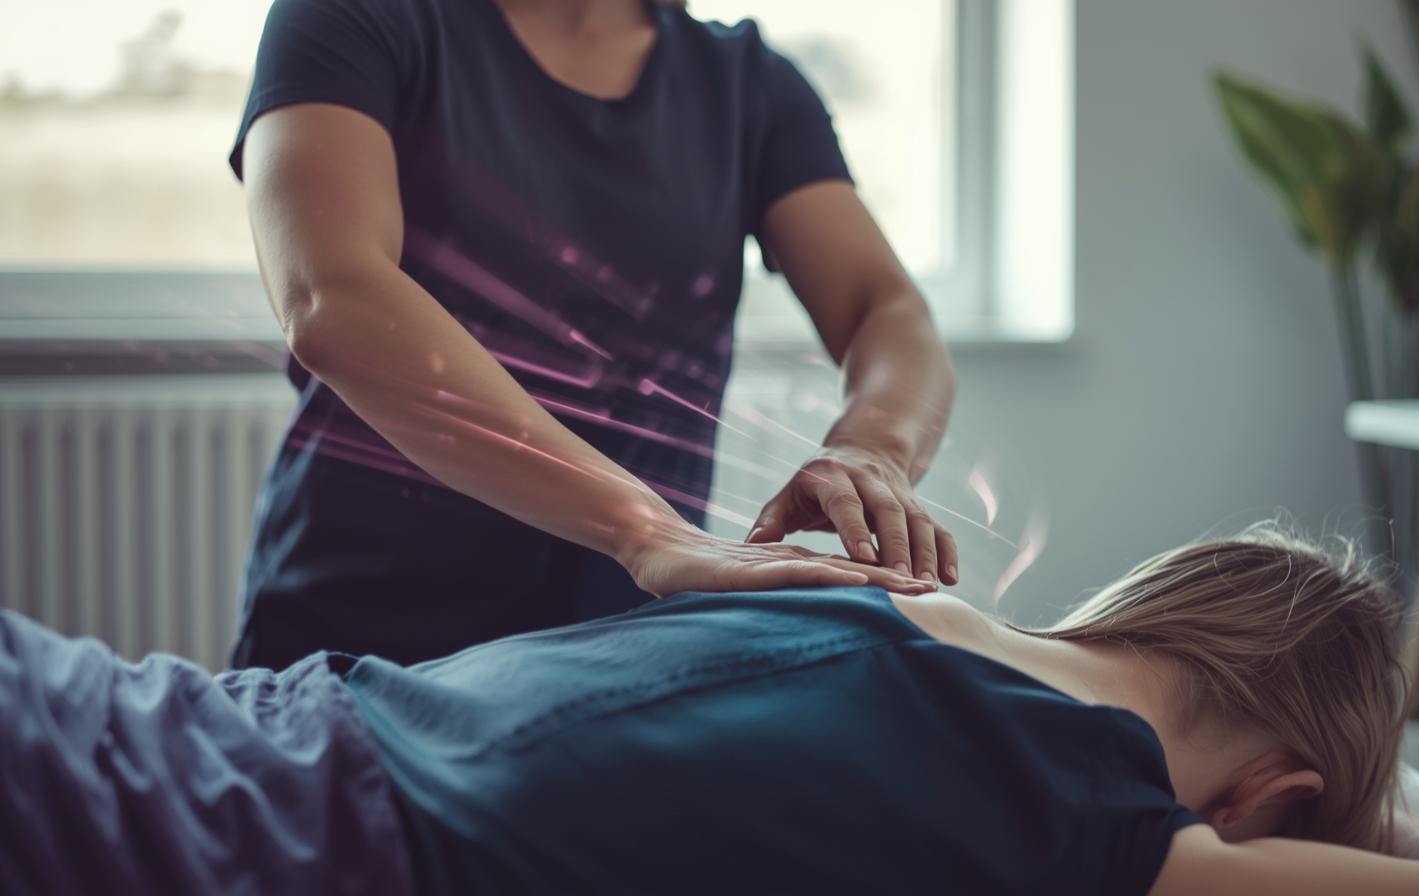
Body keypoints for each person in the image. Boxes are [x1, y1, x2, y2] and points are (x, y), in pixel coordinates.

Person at [3, 524, 1419, 894]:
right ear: (1283, 800)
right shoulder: (1091, 803)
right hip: (240, 843)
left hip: (191, 724)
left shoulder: (890, 597)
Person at [229, 0, 960, 671]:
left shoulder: (749, 86)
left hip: (618, 654)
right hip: (363, 637)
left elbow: (885, 309)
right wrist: (641, 529)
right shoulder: (354, 17)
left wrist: (872, 448)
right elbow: (333, 295)